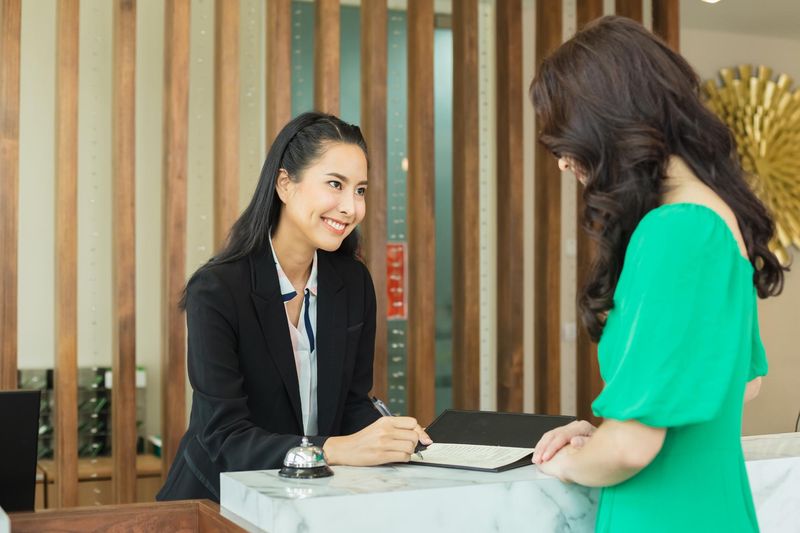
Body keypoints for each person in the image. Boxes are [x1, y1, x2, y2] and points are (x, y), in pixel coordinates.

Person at [528, 16, 786, 532]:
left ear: (608, 121)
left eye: (563, 138)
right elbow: (744, 382)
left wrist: (572, 459)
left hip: (665, 516)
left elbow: (631, 447)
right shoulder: (714, 219)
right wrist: (608, 433)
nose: (560, 162)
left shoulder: (676, 231)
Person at [157, 112, 431, 502]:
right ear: (285, 184)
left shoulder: (352, 284)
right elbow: (225, 439)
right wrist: (334, 449)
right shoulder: (217, 290)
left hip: (305, 502)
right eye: (335, 184)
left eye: (360, 190)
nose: (351, 207)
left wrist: (394, 437)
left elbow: (351, 404)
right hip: (215, 504)